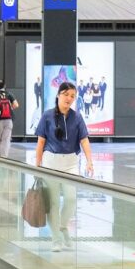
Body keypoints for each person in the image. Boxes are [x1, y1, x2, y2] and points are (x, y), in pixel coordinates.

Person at [35, 82, 94, 252]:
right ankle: (56, 239)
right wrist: (38, 164)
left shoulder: (77, 117)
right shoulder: (47, 116)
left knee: (71, 199)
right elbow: (41, 141)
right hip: (50, 162)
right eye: (66, 94)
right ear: (58, 95)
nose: (69, 98)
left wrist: (90, 161)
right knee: (53, 202)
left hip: (70, 164)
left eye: (73, 96)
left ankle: (62, 226)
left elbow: (84, 140)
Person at [0, 80, 18, 158]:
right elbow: (16, 105)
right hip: (8, 120)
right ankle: (4, 157)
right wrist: (10, 109)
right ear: (4, 86)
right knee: (6, 139)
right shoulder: (9, 94)